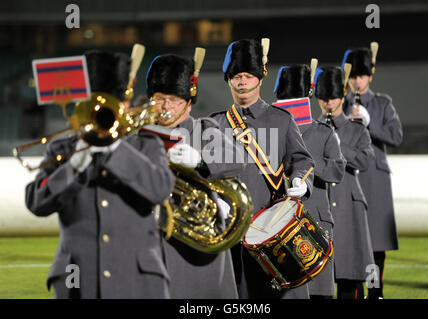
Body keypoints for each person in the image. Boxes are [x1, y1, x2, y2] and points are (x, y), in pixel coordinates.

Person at [25, 50, 175, 298]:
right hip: (78, 282)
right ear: (81, 104)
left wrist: (117, 149)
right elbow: (36, 202)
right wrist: (73, 166)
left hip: (139, 282)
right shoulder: (61, 148)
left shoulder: (146, 145)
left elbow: (160, 190)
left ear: (124, 105)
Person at [210, 38, 315, 299]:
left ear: (260, 78)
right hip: (230, 233)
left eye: (248, 75)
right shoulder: (215, 124)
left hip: (271, 233)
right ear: (228, 79)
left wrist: (301, 180)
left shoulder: (281, 120)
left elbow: (302, 160)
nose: (242, 81)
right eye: (236, 76)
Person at [144, 52, 246, 298]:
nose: (166, 108)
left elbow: (237, 159)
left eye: (173, 100)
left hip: (196, 249)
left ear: (188, 104)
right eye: (159, 99)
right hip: (149, 244)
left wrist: (200, 161)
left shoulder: (203, 130)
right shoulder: (139, 136)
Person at [273, 64, 346, 299]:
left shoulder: (324, 132)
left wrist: (307, 166)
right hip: (282, 221)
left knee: (320, 291)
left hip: (316, 218)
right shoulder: (272, 131)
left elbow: (337, 170)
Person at [341, 44, 403, 299]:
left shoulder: (382, 103)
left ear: (370, 76)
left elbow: (396, 136)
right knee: (351, 239)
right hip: (349, 176)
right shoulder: (339, 104)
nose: (357, 80)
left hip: (375, 178)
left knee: (376, 242)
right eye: (353, 76)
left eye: (362, 75)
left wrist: (371, 123)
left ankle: (375, 293)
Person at [315, 65, 375, 299]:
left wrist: (338, 144)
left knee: (349, 277)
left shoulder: (355, 130)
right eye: (323, 99)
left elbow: (364, 160)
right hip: (322, 205)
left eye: (332, 98)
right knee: (320, 278)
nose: (328, 104)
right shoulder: (312, 129)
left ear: (341, 97)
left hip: (349, 207)